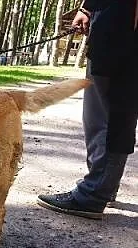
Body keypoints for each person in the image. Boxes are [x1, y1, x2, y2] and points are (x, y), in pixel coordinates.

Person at [37, 0, 138, 219]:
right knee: (120, 111)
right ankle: (104, 186)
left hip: (120, 28)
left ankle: (93, 193)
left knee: (107, 114)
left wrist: (88, 7)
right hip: (122, 27)